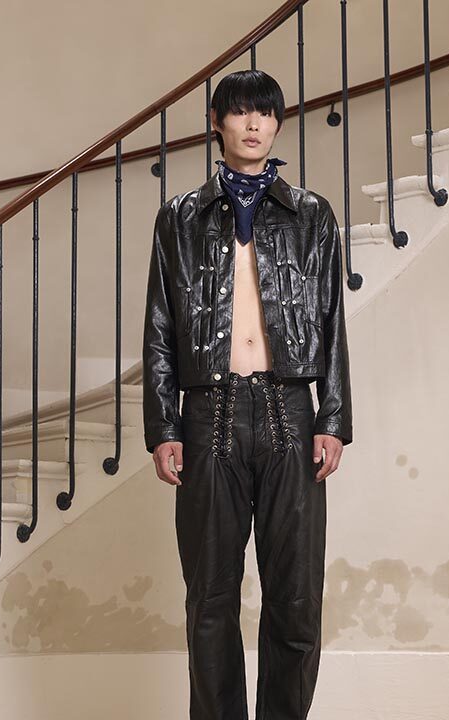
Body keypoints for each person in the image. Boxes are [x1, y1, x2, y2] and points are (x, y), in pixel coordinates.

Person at [142, 69, 353, 719]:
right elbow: (159, 327)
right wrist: (164, 426)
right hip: (209, 417)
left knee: (296, 600)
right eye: (239, 112)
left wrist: (333, 417)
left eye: (265, 113)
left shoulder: (312, 214)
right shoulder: (180, 218)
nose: (254, 124)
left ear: (279, 124)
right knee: (210, 602)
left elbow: (332, 320)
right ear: (217, 122)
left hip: (291, 413)